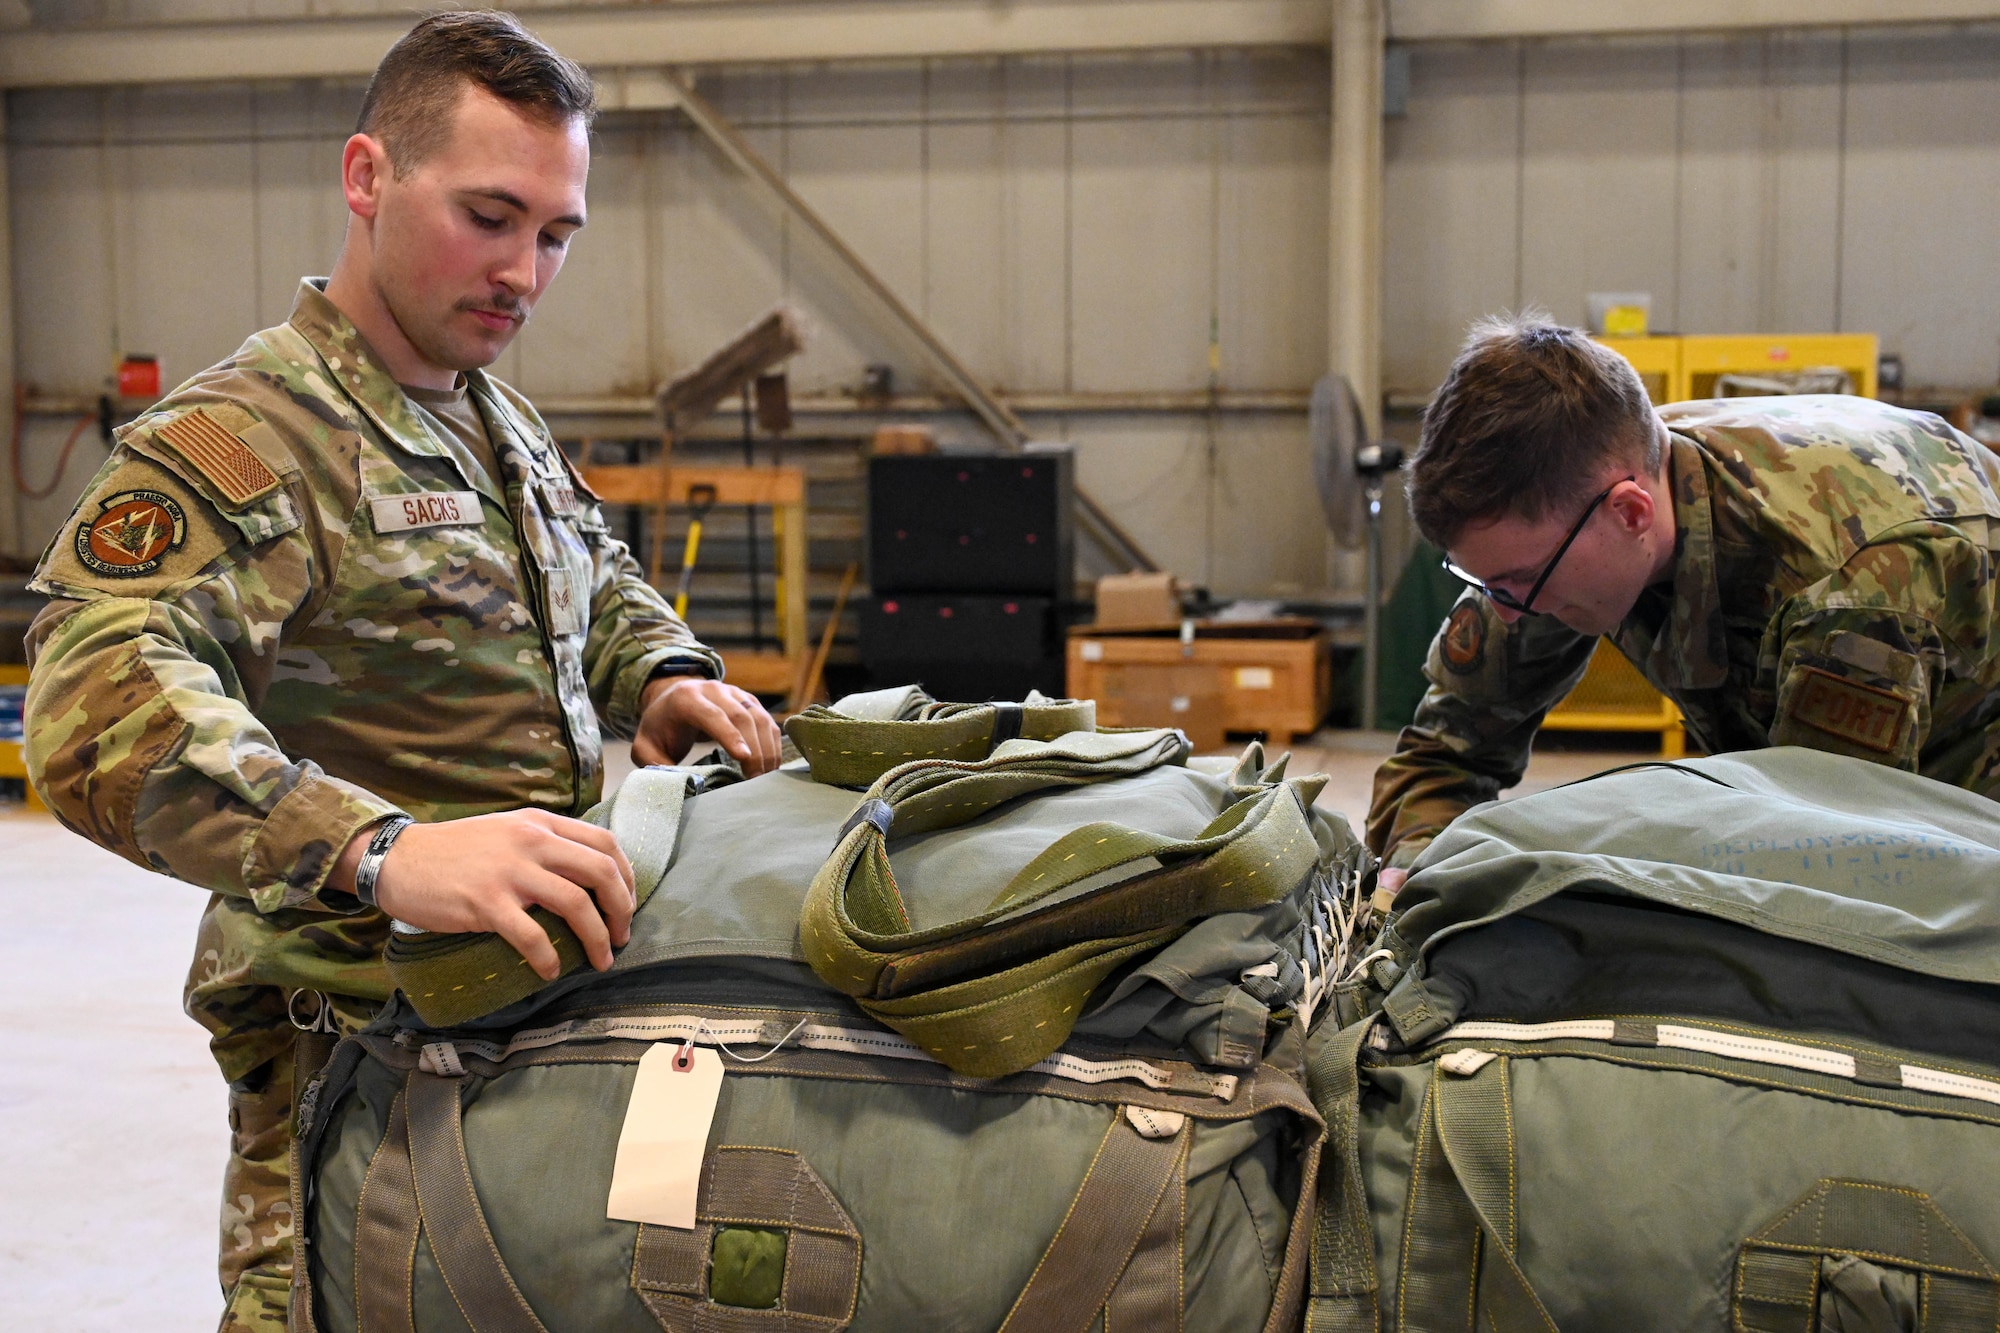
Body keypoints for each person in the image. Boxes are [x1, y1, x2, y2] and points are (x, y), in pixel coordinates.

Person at [21, 13, 782, 1330]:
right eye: (491, 217)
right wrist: (382, 851)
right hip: (348, 1046)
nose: (525, 272)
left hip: (521, 1011)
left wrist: (661, 672)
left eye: (554, 234)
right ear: (367, 177)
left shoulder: (493, 415)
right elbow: (95, 705)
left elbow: (588, 566)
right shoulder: (249, 438)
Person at [1368, 314, 2000, 892]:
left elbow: (1819, 871)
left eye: (1519, 582)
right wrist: (1420, 866)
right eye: (1486, 583)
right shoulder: (1564, 515)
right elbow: (1445, 753)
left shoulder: (1848, 591)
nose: (1505, 613)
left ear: (1630, 512)